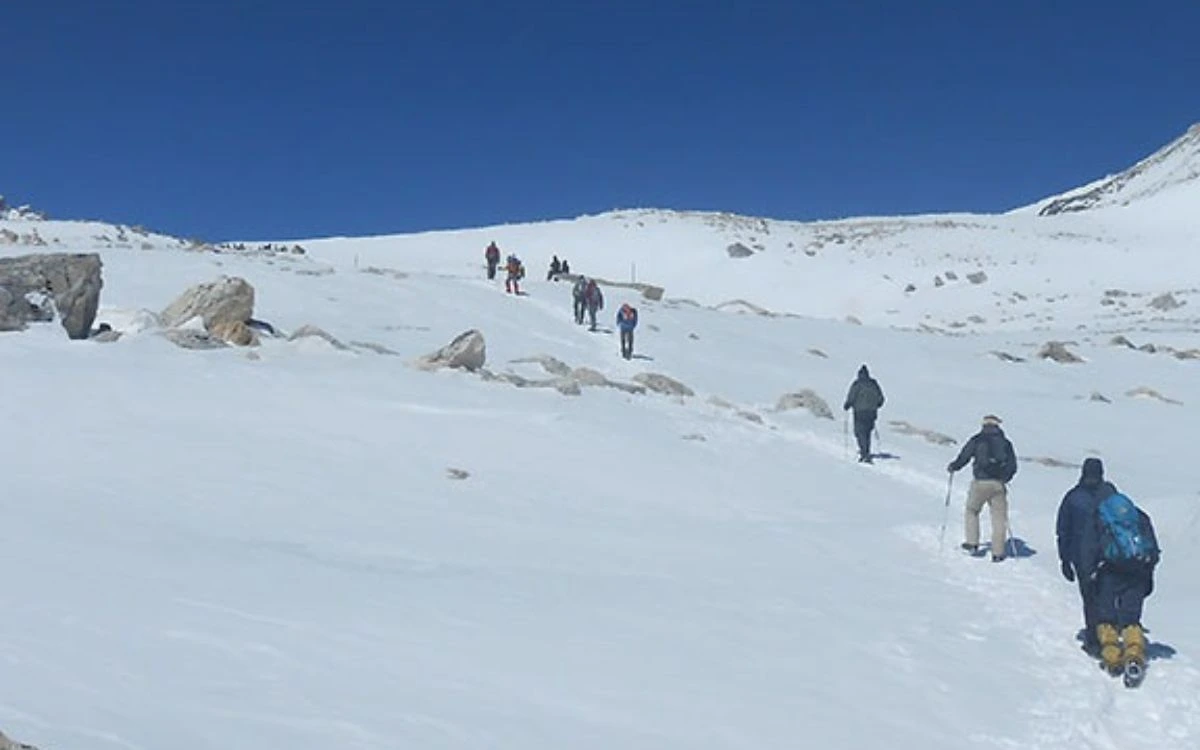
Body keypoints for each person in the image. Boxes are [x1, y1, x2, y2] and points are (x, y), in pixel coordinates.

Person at [1077, 487, 1160, 678]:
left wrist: (1087, 575)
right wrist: (1148, 572)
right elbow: (1152, 548)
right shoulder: (1138, 515)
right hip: (1137, 571)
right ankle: (1134, 654)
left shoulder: (1099, 517)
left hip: (1109, 572)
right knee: (1131, 618)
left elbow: (1088, 548)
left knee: (1106, 617)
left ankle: (1112, 656)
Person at [1056, 458, 1117, 655]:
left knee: (1090, 600)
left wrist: (1064, 559)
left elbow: (1063, 530)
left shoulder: (1073, 497)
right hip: (1110, 555)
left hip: (1082, 557)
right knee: (1108, 597)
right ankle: (1111, 637)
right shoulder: (1110, 494)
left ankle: (1094, 641)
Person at [947, 414, 1018, 562]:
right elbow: (1013, 465)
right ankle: (998, 552)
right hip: (998, 484)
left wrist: (954, 466)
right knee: (999, 518)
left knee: (972, 511)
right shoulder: (1006, 443)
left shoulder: (977, 440)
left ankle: (972, 543)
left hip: (980, 482)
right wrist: (1005, 478)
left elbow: (965, 456)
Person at [842, 365, 885, 463]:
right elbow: (881, 399)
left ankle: (864, 453)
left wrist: (847, 405)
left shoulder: (857, 384)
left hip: (859, 412)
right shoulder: (873, 384)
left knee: (859, 432)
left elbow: (851, 397)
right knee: (867, 432)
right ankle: (866, 452)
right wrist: (875, 406)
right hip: (871, 413)